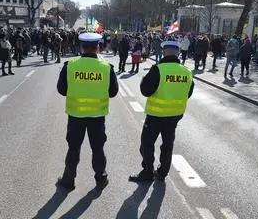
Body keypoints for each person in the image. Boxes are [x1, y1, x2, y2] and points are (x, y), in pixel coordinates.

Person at [56, 33, 119, 191]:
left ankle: (68, 180)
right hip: (97, 117)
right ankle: (100, 179)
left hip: (76, 115)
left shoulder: (70, 65)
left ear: (81, 47)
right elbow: (113, 92)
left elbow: (61, 90)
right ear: (98, 47)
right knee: (97, 148)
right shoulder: (106, 68)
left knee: (74, 148)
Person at [129, 40, 194, 182]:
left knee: (147, 143)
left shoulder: (158, 69)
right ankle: (163, 172)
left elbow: (145, 90)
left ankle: (147, 172)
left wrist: (143, 81)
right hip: (175, 115)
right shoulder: (187, 72)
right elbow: (188, 93)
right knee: (168, 144)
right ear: (178, 53)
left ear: (164, 52)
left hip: (156, 115)